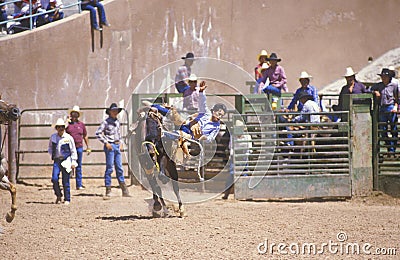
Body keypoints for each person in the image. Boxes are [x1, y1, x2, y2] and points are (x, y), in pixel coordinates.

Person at [95, 103, 130, 198]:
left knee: (119, 167)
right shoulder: (106, 122)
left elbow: (119, 133)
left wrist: (121, 142)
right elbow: (98, 133)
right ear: (110, 112)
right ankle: (108, 189)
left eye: (116, 111)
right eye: (113, 110)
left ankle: (124, 190)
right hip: (110, 146)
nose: (115, 112)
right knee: (110, 167)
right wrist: (106, 142)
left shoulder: (117, 122)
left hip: (117, 145)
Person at [48, 118, 77, 205]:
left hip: (66, 160)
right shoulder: (53, 137)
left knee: (66, 180)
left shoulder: (69, 138)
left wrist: (73, 162)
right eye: (59, 127)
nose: (61, 129)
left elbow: (73, 150)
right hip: (57, 160)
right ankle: (58, 194)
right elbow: (49, 147)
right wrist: (52, 154)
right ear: (56, 128)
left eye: (62, 127)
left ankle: (67, 198)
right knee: (54, 178)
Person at [222, 120, 252, 200]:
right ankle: (226, 193)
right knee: (231, 174)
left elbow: (249, 149)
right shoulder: (233, 136)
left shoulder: (247, 136)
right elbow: (231, 148)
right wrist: (232, 156)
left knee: (245, 174)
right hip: (235, 156)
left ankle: (246, 193)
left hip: (243, 157)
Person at [371, 68, 399, 154]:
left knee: (393, 129)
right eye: (382, 76)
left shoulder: (394, 85)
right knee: (383, 129)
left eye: (385, 77)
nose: (383, 78)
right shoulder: (379, 85)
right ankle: (388, 148)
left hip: (391, 107)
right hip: (382, 107)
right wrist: (375, 92)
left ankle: (392, 150)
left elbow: (397, 97)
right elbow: (369, 89)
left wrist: (396, 106)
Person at [66, 105, 90, 190]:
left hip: (79, 146)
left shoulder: (81, 125)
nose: (75, 115)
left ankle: (79, 184)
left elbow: (85, 135)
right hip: (69, 148)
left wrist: (88, 146)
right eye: (73, 113)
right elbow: (61, 132)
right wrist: (66, 121)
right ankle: (66, 183)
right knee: (68, 165)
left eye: (76, 114)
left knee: (78, 166)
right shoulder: (67, 125)